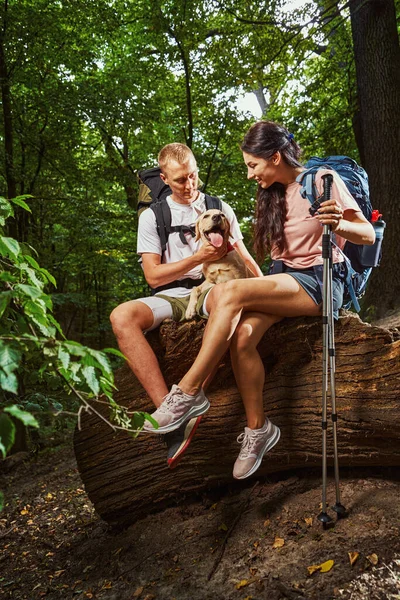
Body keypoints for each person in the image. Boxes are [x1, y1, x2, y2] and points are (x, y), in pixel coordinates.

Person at [143, 121, 375, 479]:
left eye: (253, 165)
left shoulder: (320, 179)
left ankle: (188, 392)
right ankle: (258, 430)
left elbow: (367, 235)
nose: (250, 174)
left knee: (229, 291)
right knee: (243, 337)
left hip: (322, 281)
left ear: (275, 156)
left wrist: (337, 225)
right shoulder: (272, 193)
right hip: (285, 278)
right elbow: (276, 262)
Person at [110, 142, 262, 467]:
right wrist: (197, 257)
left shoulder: (218, 207)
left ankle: (190, 397)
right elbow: (153, 276)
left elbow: (244, 256)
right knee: (121, 317)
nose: (190, 185)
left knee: (228, 296)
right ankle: (171, 414)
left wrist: (268, 288)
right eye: (180, 180)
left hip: (213, 288)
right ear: (164, 178)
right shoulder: (153, 216)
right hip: (171, 293)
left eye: (193, 176)